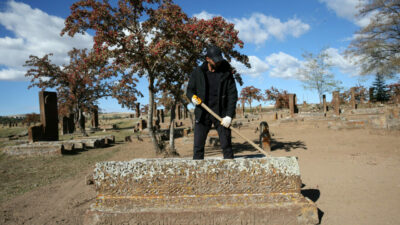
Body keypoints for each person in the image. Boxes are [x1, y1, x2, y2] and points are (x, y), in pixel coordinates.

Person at [186, 45, 238, 160]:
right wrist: (193, 98)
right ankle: (198, 173)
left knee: (227, 146)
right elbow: (189, 90)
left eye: (219, 59)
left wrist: (229, 115)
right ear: (207, 59)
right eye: (215, 60)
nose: (218, 62)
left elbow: (232, 95)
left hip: (221, 114)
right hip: (203, 113)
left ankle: (230, 171)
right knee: (198, 146)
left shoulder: (226, 74)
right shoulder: (198, 72)